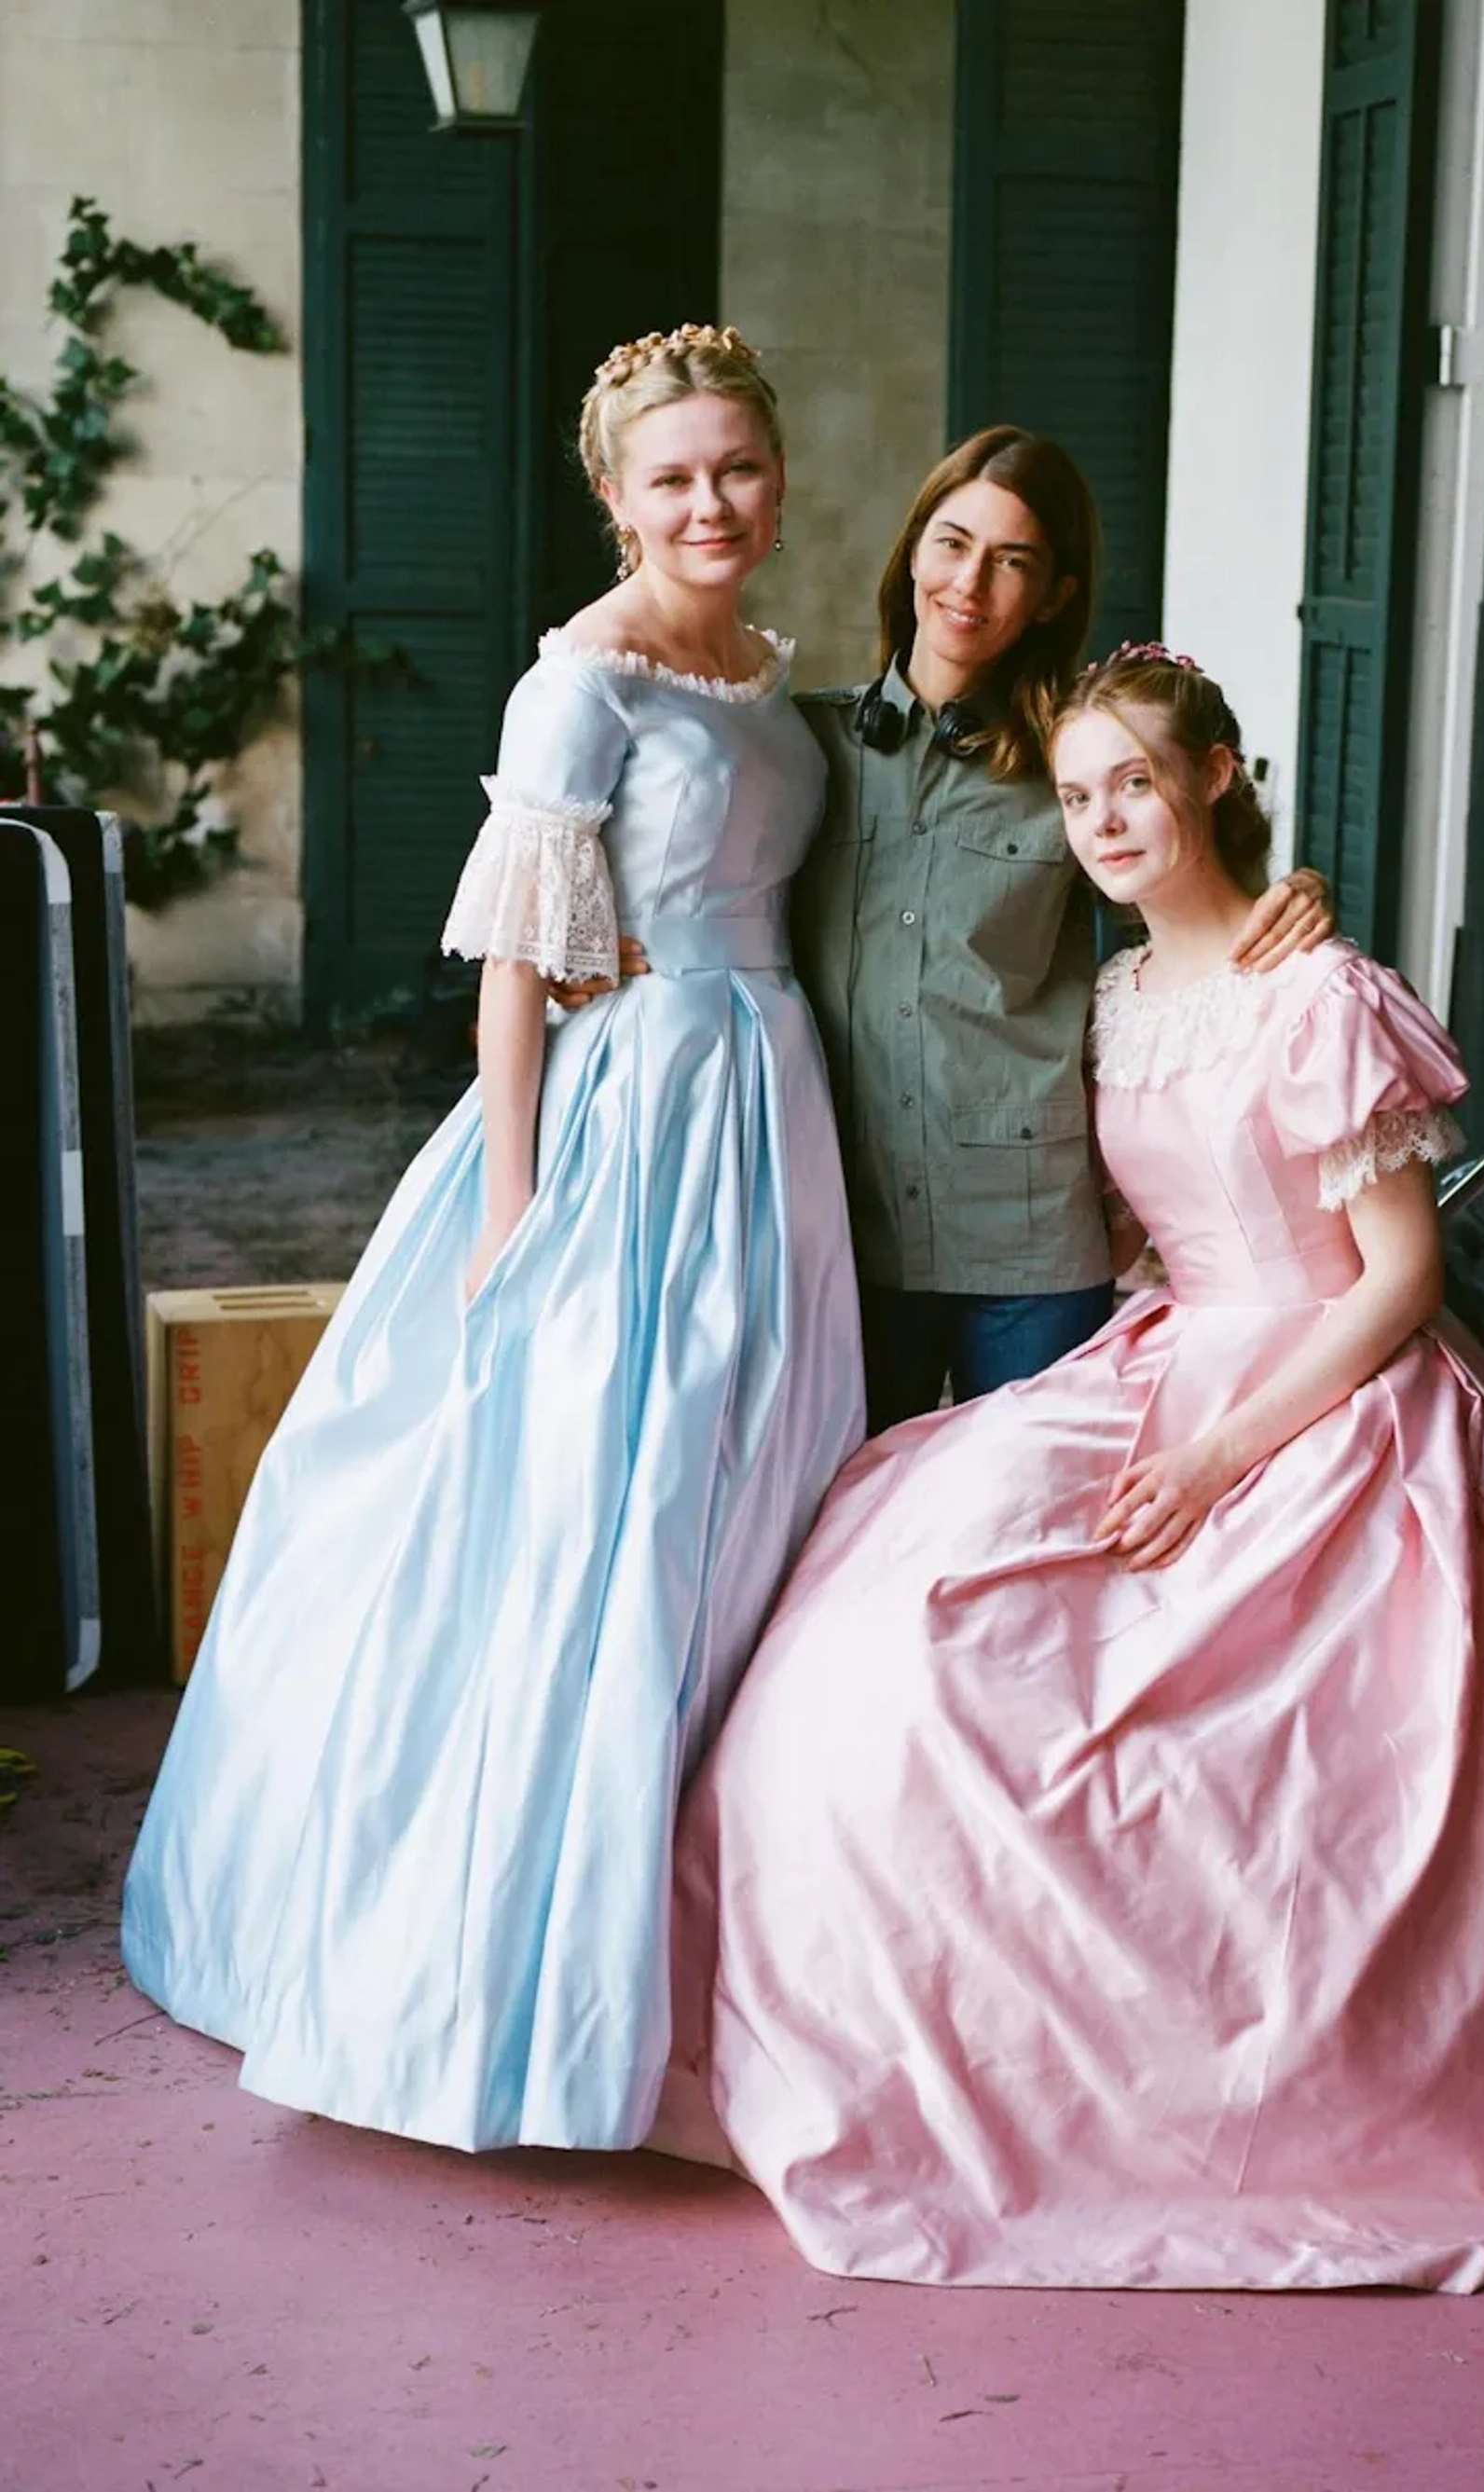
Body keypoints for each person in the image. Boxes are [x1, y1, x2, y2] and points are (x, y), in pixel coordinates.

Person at [660, 644, 1484, 2293]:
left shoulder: (1320, 991)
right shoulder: (1116, 994)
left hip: (1333, 1386)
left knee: (1279, 1759)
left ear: (1218, 776)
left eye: (1136, 784)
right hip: (1171, 1345)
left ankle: (1247, 2096)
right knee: (882, 1628)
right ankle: (935, 2057)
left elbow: (1400, 1277)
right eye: (1079, 792)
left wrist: (1227, 1449)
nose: (1102, 818)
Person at [121, 324, 864, 2155]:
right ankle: (513, 1988)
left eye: (738, 468)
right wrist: (520, 1203)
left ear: (776, 476)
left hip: (770, 1111)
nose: (711, 502)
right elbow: (519, 984)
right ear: (614, 497)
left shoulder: (770, 674)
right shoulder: (580, 691)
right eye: (673, 476)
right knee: (592, 1521)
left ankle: (719, 1943)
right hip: (629, 1124)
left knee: (741, 1499)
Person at [581, 428, 1333, 1425]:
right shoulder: (794, 744)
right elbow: (663, 861)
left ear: (1056, 595)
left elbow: (1197, 875)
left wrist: (1300, 890)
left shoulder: (1077, 765)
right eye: (953, 542)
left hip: (1026, 1238)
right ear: (914, 553)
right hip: (831, 1228)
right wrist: (588, 949)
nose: (970, 583)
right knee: (841, 1533)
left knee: (1021, 1530)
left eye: (1014, 560)